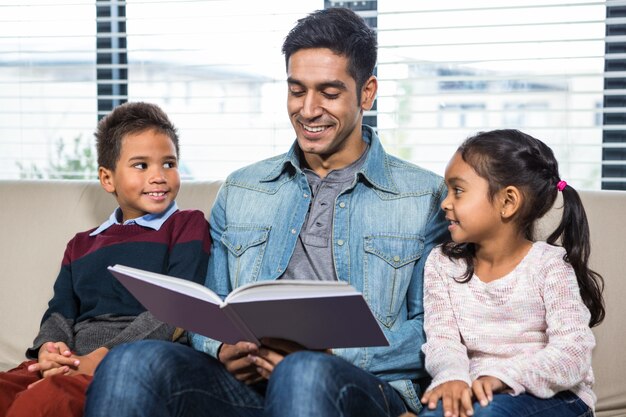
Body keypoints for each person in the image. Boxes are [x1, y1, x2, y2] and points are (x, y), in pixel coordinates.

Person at [84, 7, 448, 417]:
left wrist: (332, 352)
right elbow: (212, 304)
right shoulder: (242, 188)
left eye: (329, 93)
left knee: (304, 373)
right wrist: (222, 348)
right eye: (296, 90)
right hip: (246, 386)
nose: (308, 110)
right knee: (131, 362)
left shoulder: (424, 195)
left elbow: (435, 330)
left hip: (355, 384)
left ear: (367, 92)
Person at [0, 102, 211, 417]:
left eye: (169, 163)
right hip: (73, 358)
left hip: (133, 360)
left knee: (44, 402)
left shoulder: (187, 225)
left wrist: (99, 358)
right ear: (107, 178)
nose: (159, 176)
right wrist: (50, 349)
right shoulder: (81, 244)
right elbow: (60, 312)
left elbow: (177, 307)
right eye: (141, 165)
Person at [419, 129, 605, 417]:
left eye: (457, 190)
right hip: (479, 392)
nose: (445, 202)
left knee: (489, 414)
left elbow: (573, 353)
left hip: (558, 398)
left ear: (507, 202)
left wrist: (504, 377)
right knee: (435, 413)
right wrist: (452, 378)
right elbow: (442, 340)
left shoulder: (550, 265)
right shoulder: (442, 263)